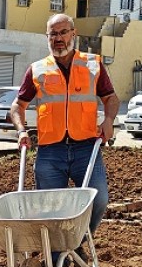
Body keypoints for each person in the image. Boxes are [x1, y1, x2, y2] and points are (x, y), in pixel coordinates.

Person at [9, 13, 120, 237]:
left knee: (98, 200)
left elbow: (111, 98)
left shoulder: (93, 64)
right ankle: (58, 257)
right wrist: (21, 131)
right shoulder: (37, 69)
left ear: (73, 33)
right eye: (53, 34)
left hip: (87, 148)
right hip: (51, 150)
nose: (58, 38)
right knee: (49, 209)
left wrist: (108, 120)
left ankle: (75, 244)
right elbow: (17, 106)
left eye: (63, 32)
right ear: (47, 38)